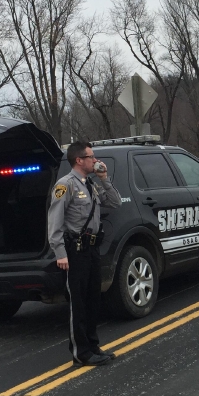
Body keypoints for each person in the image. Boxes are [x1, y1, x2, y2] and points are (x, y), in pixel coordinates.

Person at [48, 142, 122, 367]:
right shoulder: (65, 185)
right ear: (79, 160)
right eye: (91, 157)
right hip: (74, 252)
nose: (95, 160)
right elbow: (55, 222)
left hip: (91, 250)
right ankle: (81, 352)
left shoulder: (91, 184)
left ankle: (92, 345)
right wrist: (60, 253)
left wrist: (104, 178)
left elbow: (115, 202)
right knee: (78, 302)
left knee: (92, 300)